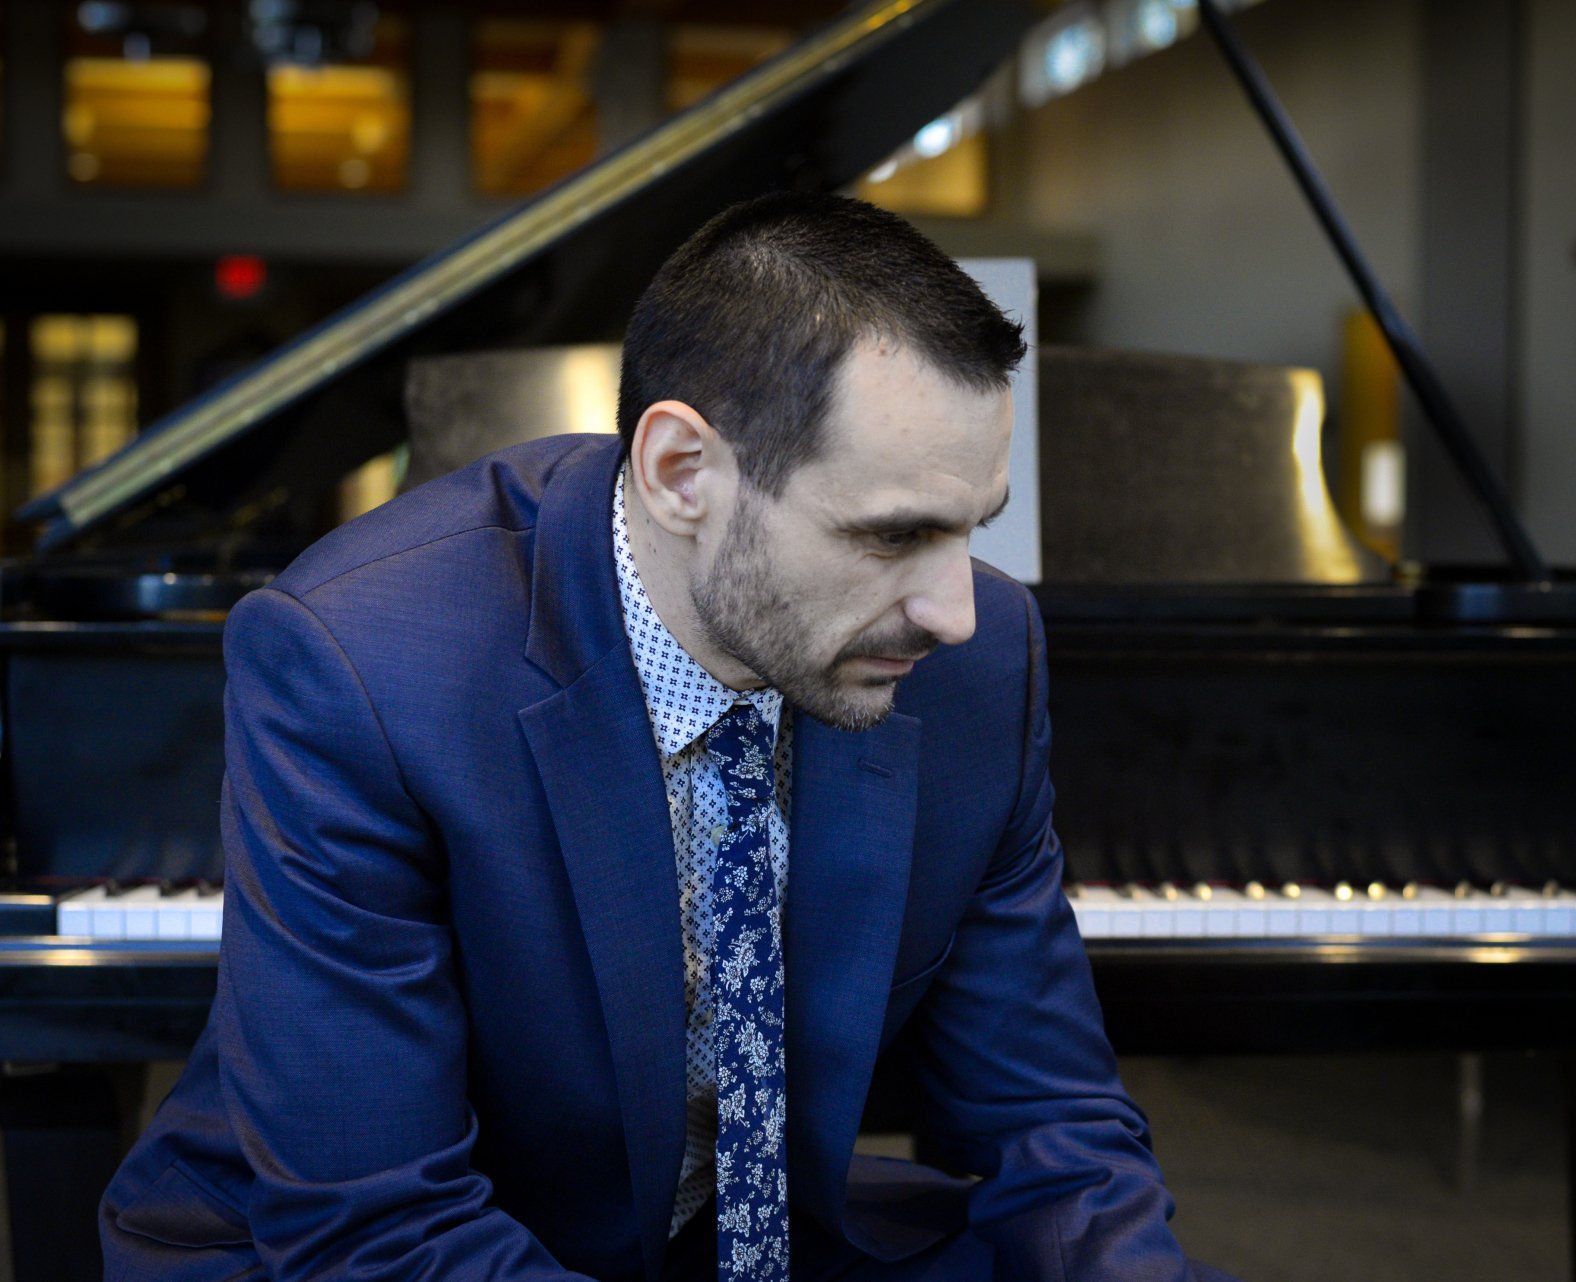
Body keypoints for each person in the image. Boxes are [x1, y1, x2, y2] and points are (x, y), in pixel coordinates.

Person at [100, 193, 1235, 1281]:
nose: (957, 611)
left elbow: (1050, 1121)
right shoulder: (361, 662)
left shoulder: (985, 661)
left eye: (970, 531)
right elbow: (375, 1222)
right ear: (682, 471)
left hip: (754, 1244)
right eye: (896, 535)